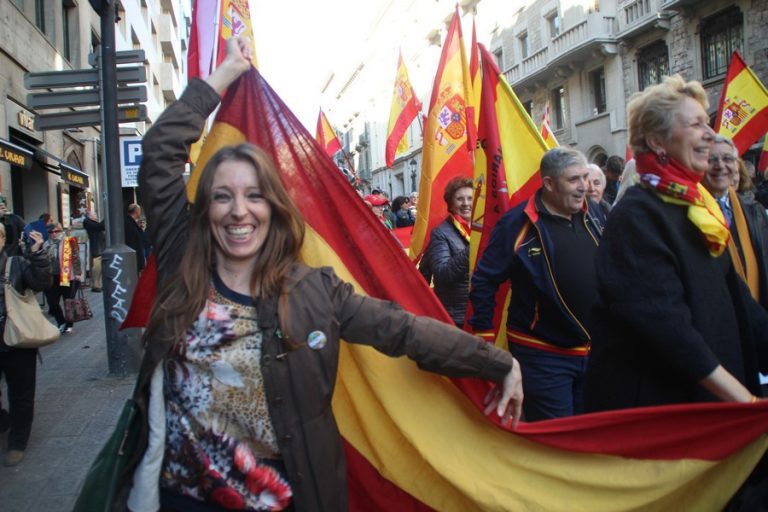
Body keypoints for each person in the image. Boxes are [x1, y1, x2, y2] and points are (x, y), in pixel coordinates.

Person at [120, 37, 522, 512]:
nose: (238, 211)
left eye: (253, 196)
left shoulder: (312, 290)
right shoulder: (180, 258)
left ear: (273, 207)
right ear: (205, 209)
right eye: (223, 196)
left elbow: (403, 330)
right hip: (182, 498)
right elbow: (161, 150)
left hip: (287, 497)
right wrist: (225, 74)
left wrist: (498, 363)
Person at [584, 75, 768, 413]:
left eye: (707, 123)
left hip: (719, 405)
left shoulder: (700, 208)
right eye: (696, 124)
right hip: (669, 413)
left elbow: (742, 304)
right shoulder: (635, 216)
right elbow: (666, 328)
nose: (710, 134)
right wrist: (746, 405)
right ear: (657, 141)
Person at [469, 147, 604, 422]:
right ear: (549, 184)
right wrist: (484, 336)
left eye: (585, 178)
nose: (583, 187)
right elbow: (484, 279)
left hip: (594, 352)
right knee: (559, 442)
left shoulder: (596, 214)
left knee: (590, 434)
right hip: (543, 357)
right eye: (574, 180)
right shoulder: (516, 223)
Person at [0, 224, 51, 466]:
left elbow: (41, 283)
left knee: (21, 393)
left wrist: (39, 254)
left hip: (17, 338)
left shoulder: (16, 263)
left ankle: (18, 441)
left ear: (2, 239)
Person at [701, 135, 768, 311]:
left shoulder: (754, 211)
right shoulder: (688, 213)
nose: (720, 165)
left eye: (727, 158)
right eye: (711, 159)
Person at [419, 177, 472, 327]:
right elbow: (443, 273)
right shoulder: (440, 233)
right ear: (451, 204)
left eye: (470, 198)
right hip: (455, 319)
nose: (466, 203)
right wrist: (474, 247)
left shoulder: (482, 227)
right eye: (460, 199)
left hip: (482, 315)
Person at [43, 223, 81, 334]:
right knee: (52, 302)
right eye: (51, 232)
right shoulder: (46, 244)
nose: (54, 234)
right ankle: (61, 321)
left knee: (68, 302)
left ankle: (69, 324)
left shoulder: (69, 241)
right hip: (52, 277)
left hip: (66, 276)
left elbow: (76, 258)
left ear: (61, 231)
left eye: (56, 231)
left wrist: (78, 274)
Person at [83, 210, 105, 292]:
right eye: (94, 214)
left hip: (98, 247)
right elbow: (99, 226)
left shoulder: (91, 222)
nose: (96, 215)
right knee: (97, 266)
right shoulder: (88, 222)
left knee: (98, 266)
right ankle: (96, 284)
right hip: (96, 248)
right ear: (89, 215)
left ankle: (97, 284)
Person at [125, 203, 146, 273]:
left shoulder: (131, 222)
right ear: (136, 211)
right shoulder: (129, 223)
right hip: (133, 257)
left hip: (134, 257)